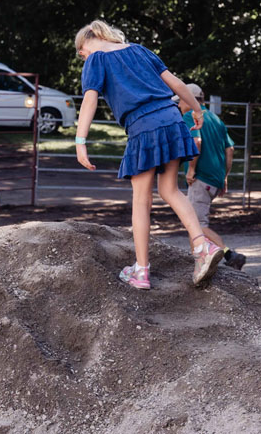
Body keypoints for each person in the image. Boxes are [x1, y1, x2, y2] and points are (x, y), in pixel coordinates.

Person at [74, 20, 223, 290]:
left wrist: (80, 140)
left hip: (143, 126)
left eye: (80, 53)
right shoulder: (139, 50)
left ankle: (141, 272)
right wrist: (196, 110)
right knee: (170, 190)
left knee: (141, 200)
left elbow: (90, 99)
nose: (82, 57)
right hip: (171, 119)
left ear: (86, 44)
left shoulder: (96, 59)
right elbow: (176, 83)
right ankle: (202, 246)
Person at [177, 82, 247, 270]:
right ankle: (199, 261)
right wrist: (225, 176)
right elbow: (230, 149)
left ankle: (228, 255)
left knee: (196, 225)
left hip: (201, 178)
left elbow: (197, 142)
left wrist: (191, 169)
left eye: (180, 100)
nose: (179, 105)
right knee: (194, 222)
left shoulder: (190, 116)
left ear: (188, 99)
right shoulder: (216, 120)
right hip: (214, 180)